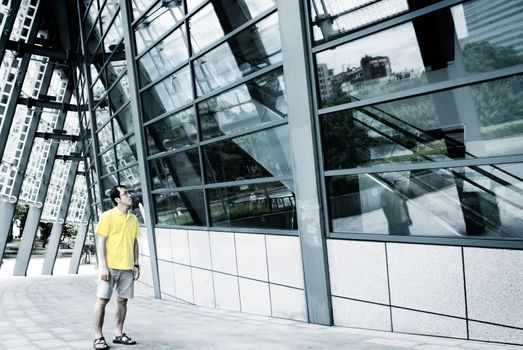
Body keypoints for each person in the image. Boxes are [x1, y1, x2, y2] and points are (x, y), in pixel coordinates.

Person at [93, 185, 141, 350]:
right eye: (125, 193)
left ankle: (118, 334)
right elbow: (101, 242)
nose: (129, 195)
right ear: (117, 199)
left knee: (122, 301)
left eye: (129, 192)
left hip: (127, 268)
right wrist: (103, 266)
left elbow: (135, 242)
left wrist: (135, 264)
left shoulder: (133, 218)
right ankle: (98, 337)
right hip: (110, 267)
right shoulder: (107, 216)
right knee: (102, 301)